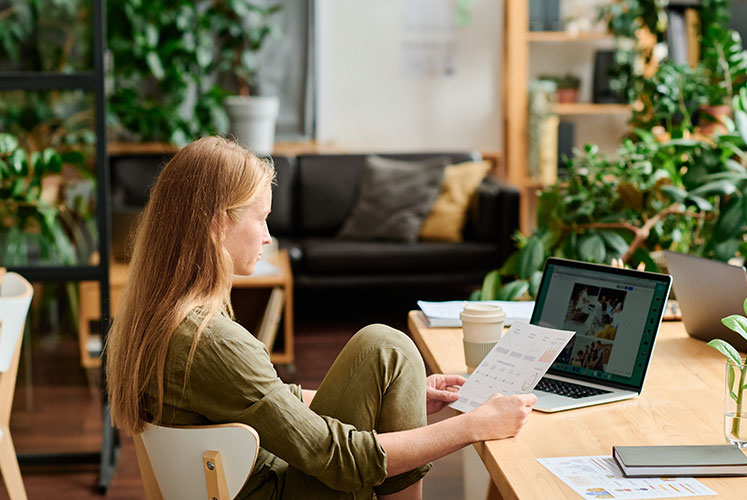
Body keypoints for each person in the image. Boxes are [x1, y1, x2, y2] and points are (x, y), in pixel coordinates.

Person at [105, 136, 536, 500]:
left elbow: (269, 397)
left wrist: (397, 397)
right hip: (267, 487)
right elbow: (339, 461)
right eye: (261, 219)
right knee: (391, 347)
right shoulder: (209, 341)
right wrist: (474, 425)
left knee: (385, 349)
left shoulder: (160, 316)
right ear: (219, 224)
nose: (268, 236)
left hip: (246, 475)